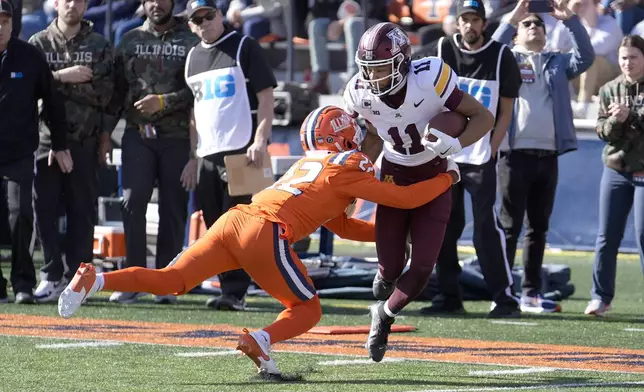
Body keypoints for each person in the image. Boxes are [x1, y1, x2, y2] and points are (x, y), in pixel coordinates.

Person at [57, 105, 461, 376]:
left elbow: (341, 226)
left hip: (236, 221)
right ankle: (260, 338)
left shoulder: (313, 164)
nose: (360, 136)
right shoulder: (347, 166)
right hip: (264, 231)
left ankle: (96, 279)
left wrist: (386, 238)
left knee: (171, 280)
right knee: (307, 309)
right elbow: (406, 198)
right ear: (342, 135)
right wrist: (447, 177)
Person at [343, 22, 494, 362]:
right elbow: (369, 138)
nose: (373, 79)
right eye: (368, 70)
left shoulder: (429, 77)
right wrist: (352, 185)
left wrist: (455, 143)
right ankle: (385, 278)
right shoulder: (359, 92)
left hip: (434, 176)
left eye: (381, 69)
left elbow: (482, 117)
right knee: (390, 266)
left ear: (401, 62)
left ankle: (384, 316)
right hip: (394, 177)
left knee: (424, 264)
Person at [416, 0, 523, 318]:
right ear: (457, 23)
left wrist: (493, 147)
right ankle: (449, 296)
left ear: (484, 23)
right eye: (465, 19)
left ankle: (505, 298)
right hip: (445, 156)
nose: (470, 25)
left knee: (486, 230)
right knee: (444, 226)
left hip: (480, 155)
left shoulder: (501, 55)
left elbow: (506, 109)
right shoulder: (442, 50)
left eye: (476, 19)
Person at [493, 0, 594, 313]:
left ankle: (531, 293)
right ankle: (504, 291)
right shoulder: (505, 58)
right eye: (528, 24)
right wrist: (512, 18)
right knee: (510, 228)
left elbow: (586, 57)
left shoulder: (556, 62)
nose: (534, 26)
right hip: (514, 154)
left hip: (548, 155)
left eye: (538, 23)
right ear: (516, 34)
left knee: (538, 228)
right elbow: (488, 52)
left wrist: (571, 21)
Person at [103, 0, 200, 304]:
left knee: (173, 207)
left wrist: (164, 101)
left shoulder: (191, 42)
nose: (157, 4)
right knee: (132, 201)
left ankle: (166, 282)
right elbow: (117, 92)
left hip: (179, 138)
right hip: (137, 136)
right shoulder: (129, 39)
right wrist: (106, 134)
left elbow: (198, 89)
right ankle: (133, 278)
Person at [184, 0, 276, 311]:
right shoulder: (192, 56)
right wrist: (194, 156)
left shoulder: (243, 46)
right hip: (208, 153)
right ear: (190, 24)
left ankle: (239, 291)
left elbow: (266, 97)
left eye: (209, 16)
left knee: (245, 226)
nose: (204, 23)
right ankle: (229, 290)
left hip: (243, 150)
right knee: (215, 226)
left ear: (220, 15)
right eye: (197, 19)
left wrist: (260, 140)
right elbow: (194, 114)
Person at [28, 0, 114, 303]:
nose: (71, 4)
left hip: (85, 140)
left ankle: (79, 279)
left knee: (82, 211)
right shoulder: (38, 42)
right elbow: (29, 89)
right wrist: (64, 76)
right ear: (53, 3)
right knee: (44, 210)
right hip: (44, 141)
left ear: (86, 5)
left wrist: (51, 82)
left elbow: (105, 93)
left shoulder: (100, 44)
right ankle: (50, 274)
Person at [0, 0, 72, 304]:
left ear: (12, 23)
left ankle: (23, 284)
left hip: (19, 152)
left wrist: (59, 144)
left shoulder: (29, 56)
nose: (0, 26)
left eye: (4, 21)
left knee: (21, 216)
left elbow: (53, 103)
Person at [587, 35, 644, 317]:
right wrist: (614, 120)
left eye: (633, 57)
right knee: (607, 235)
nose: (627, 62)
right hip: (616, 168)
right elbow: (601, 131)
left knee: (643, 234)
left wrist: (631, 115)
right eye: (623, 57)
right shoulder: (610, 89)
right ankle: (600, 297)